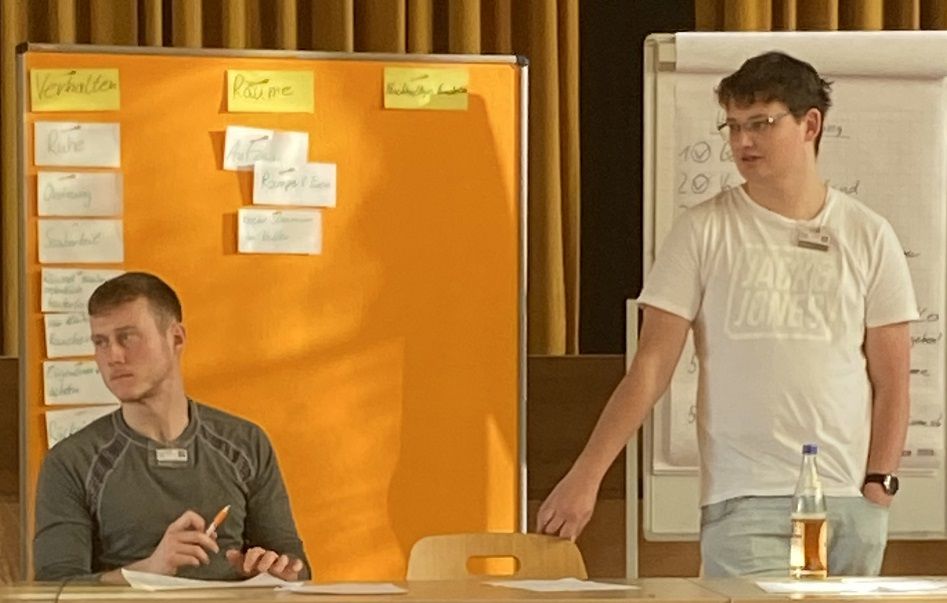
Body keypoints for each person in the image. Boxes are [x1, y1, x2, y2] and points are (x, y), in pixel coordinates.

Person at [537, 51, 916, 576]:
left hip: (848, 501)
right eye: (733, 126)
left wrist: (879, 486)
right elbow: (650, 369)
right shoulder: (702, 230)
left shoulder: (868, 234)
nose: (742, 142)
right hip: (744, 501)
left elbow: (893, 381)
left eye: (760, 123)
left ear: (810, 125)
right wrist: (587, 474)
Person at [34, 272, 311, 584]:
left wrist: (277, 570)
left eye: (127, 338)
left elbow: (296, 564)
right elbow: (54, 589)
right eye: (101, 342)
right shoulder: (71, 461)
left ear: (176, 338)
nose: (113, 356)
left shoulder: (246, 443)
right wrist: (149, 571)